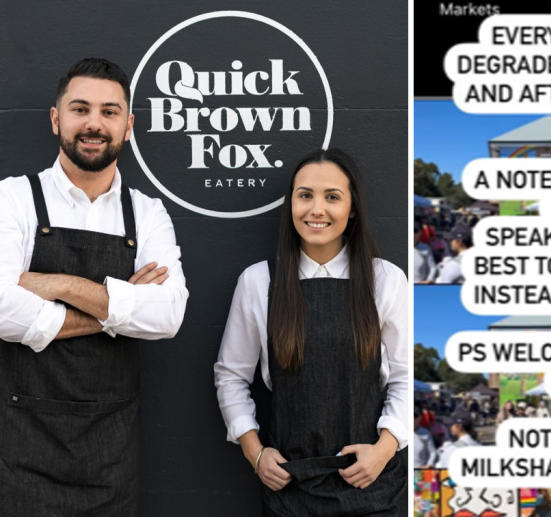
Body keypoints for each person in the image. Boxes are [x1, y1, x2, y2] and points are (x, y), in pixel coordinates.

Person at [0, 57, 189, 515]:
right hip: (22, 446)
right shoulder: (14, 198)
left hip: (111, 455)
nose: (93, 123)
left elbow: (167, 316)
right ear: (56, 118)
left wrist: (57, 283)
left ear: (128, 125)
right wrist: (117, 309)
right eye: (80, 108)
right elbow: (3, 309)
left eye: (109, 112)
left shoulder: (147, 213)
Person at [214, 148, 407, 516]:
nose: (316, 209)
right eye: (305, 196)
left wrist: (383, 451)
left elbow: (406, 376)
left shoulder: (386, 280)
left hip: (371, 486)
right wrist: (255, 453)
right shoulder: (259, 281)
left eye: (332, 197)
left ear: (352, 210)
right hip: (291, 489)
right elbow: (230, 376)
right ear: (291, 205)